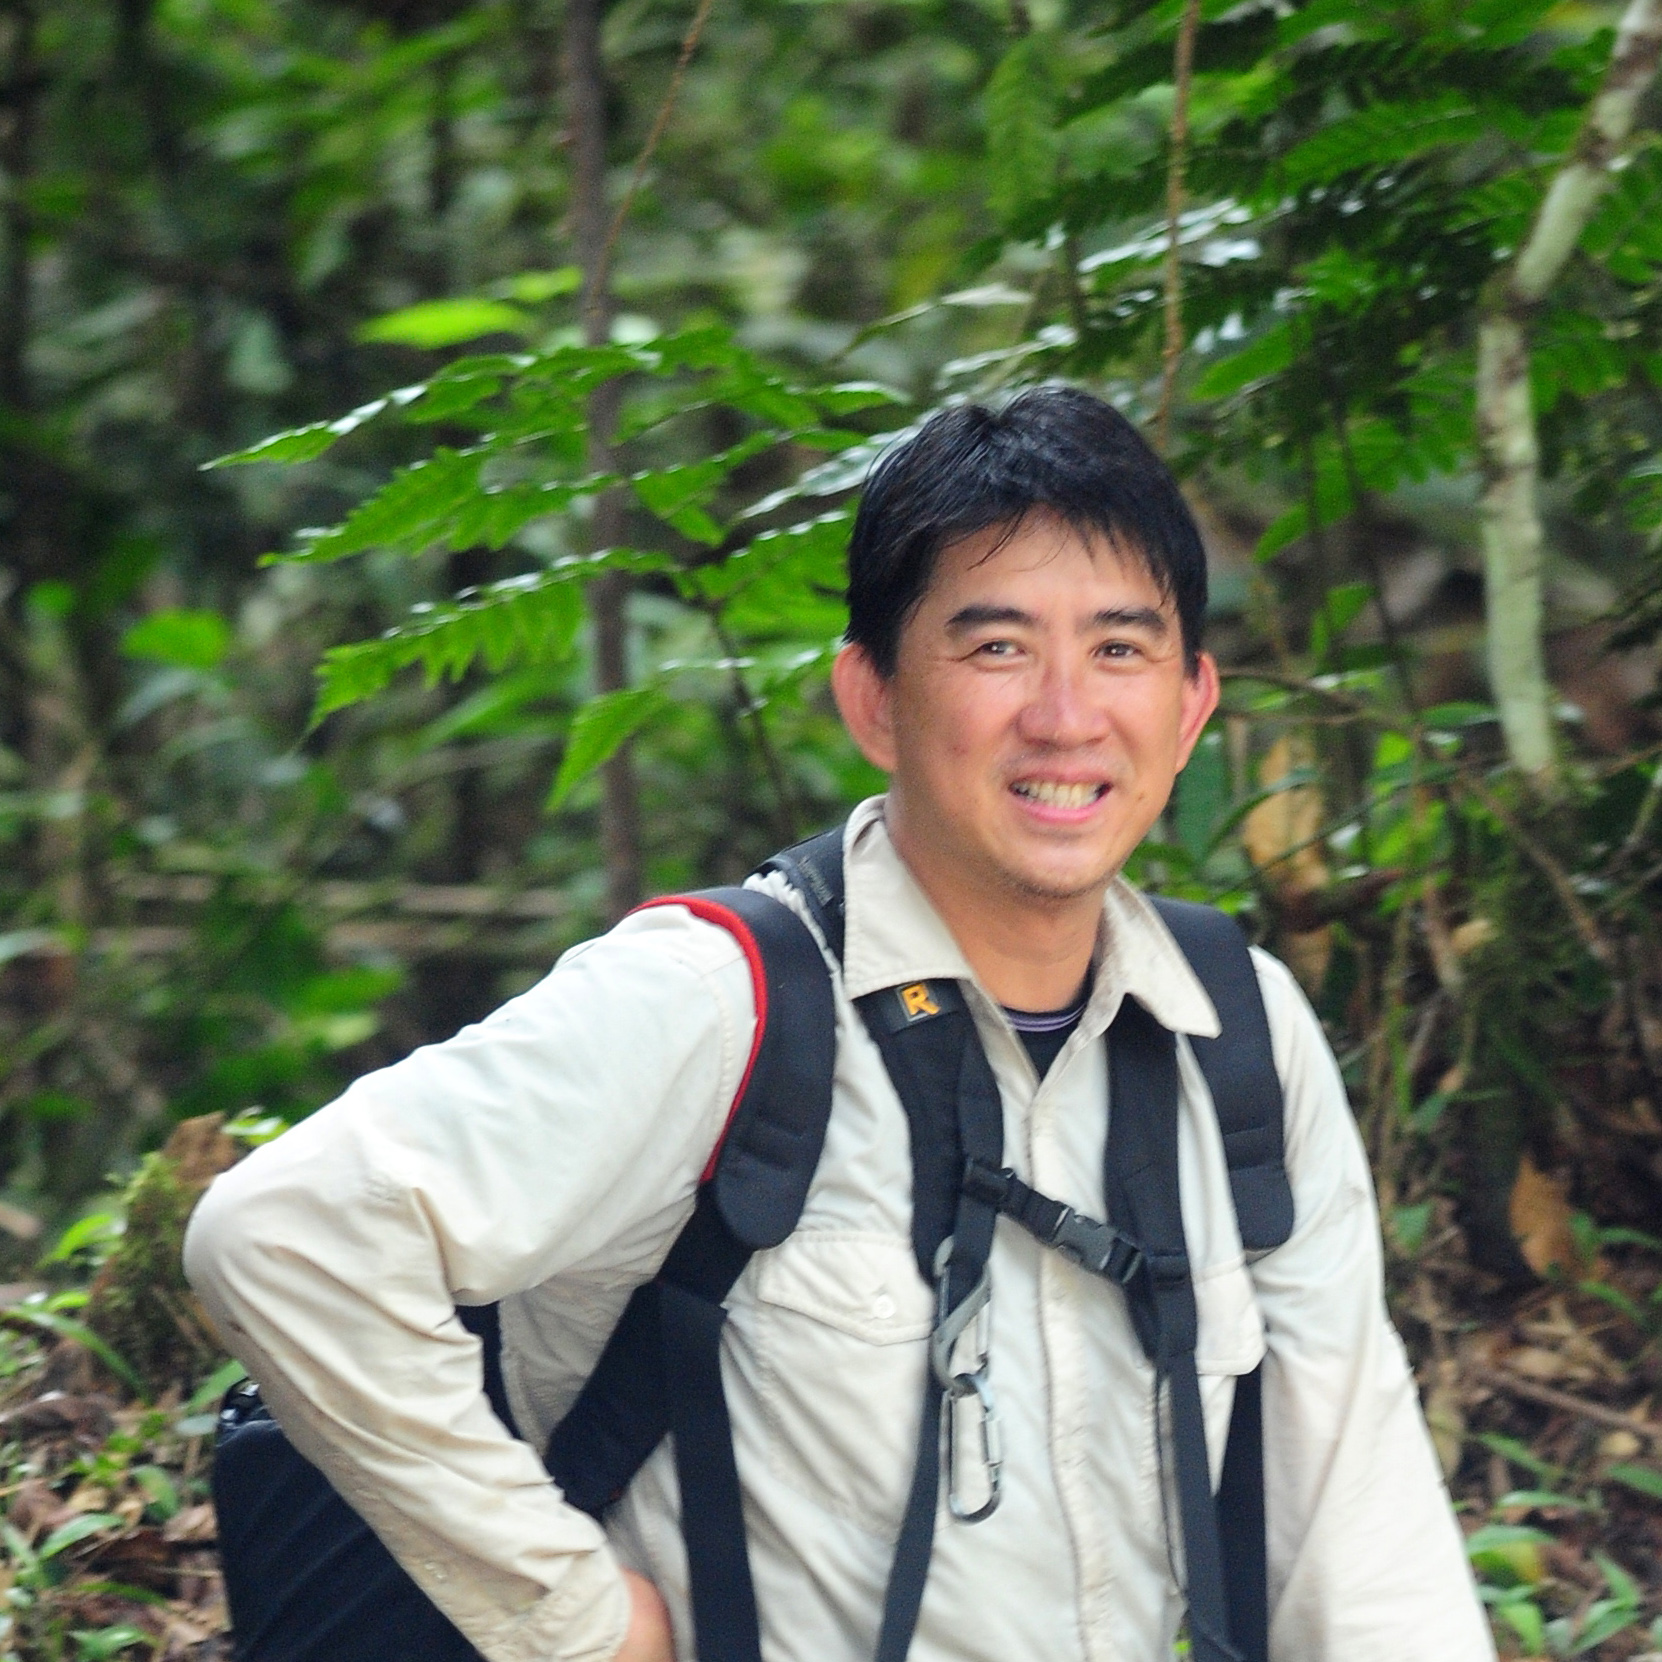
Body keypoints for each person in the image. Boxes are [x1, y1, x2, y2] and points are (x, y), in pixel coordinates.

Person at [184, 386, 1495, 1662]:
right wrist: (570, 1617)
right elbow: (286, 1234)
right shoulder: (718, 1001)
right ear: (871, 698)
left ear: (1191, 702)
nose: (1064, 711)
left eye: (1118, 646)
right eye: (994, 646)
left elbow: (1353, 1518)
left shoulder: (1239, 1029)